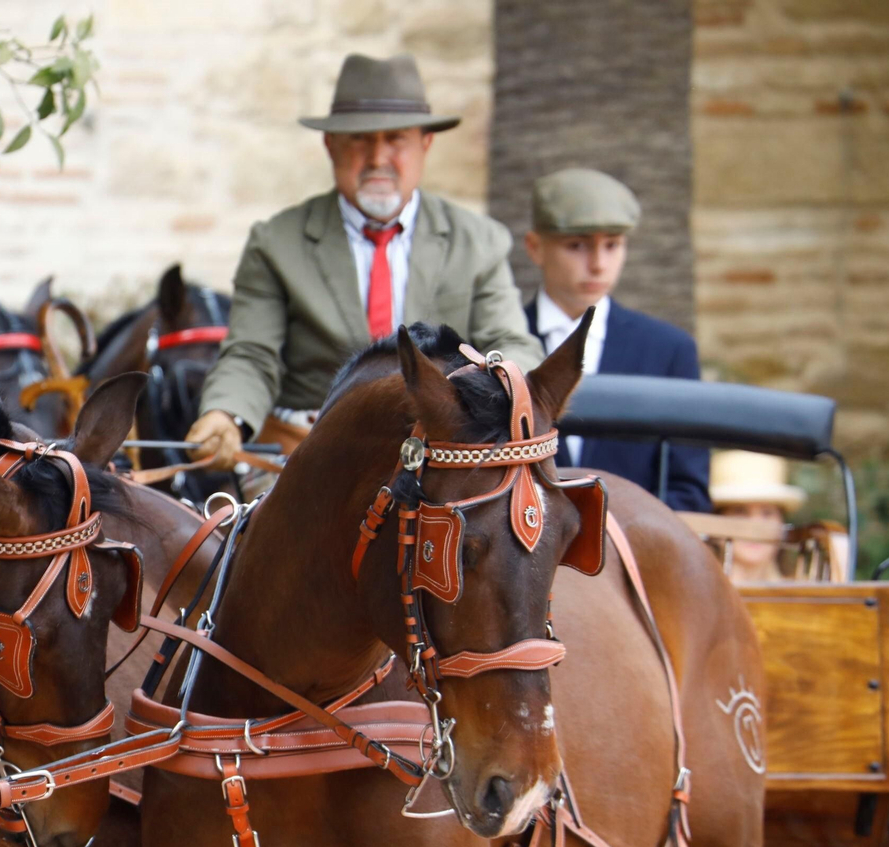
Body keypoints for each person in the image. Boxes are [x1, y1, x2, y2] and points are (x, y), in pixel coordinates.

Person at [186, 53, 543, 471]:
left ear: (425, 144)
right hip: (307, 457)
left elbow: (512, 344)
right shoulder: (276, 243)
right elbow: (251, 353)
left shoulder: (479, 241)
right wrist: (226, 415)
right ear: (330, 145)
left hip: (442, 460)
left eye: (396, 139)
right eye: (360, 139)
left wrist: (488, 400)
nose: (377, 157)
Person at [524, 167, 711, 512]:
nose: (598, 264)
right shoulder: (496, 345)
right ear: (535, 247)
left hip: (634, 556)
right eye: (576, 245)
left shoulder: (668, 350)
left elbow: (688, 491)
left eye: (612, 245)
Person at [708, 449, 805, 584]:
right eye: (740, 511)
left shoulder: (801, 594)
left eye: (767, 513)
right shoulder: (691, 592)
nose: (756, 524)